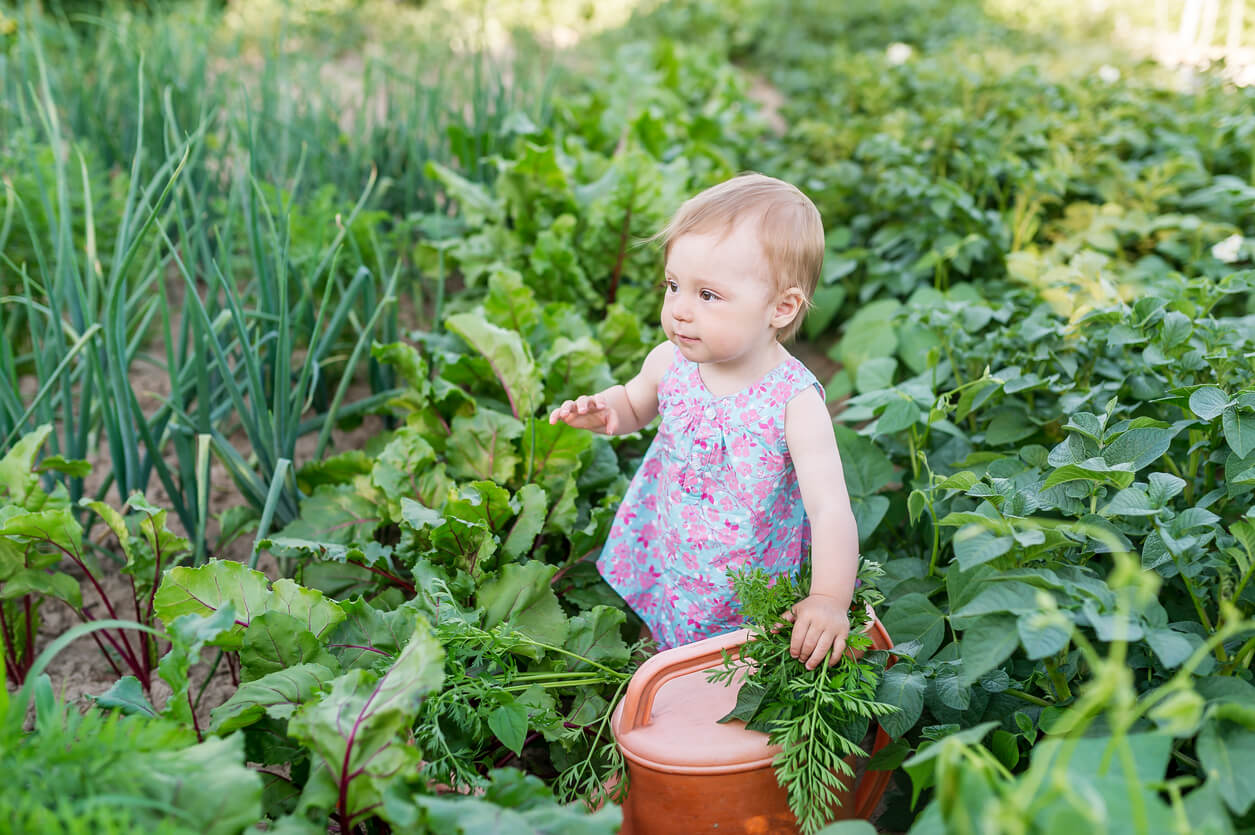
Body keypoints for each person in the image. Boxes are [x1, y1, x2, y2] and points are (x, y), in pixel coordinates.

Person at [549, 173, 859, 671]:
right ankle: (667, 654)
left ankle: (716, 676)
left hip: (750, 570)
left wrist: (827, 598)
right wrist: (611, 410)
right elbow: (636, 403)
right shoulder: (670, 361)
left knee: (736, 663)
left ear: (781, 307)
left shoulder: (793, 402)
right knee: (669, 614)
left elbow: (829, 509)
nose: (680, 312)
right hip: (672, 538)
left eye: (708, 295)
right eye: (674, 286)